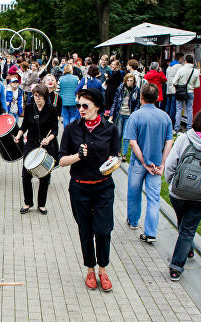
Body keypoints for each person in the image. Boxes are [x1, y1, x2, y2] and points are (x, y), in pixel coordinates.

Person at [58, 87, 119, 291]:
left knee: (103, 230)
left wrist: (113, 162)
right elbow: (61, 160)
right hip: (79, 189)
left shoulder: (110, 129)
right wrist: (78, 157)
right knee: (85, 231)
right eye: (78, 105)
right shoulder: (71, 129)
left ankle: (103, 269)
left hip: (103, 187)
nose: (81, 109)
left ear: (98, 107)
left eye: (85, 105)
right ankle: (90, 270)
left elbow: (116, 156)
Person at [165, 108, 201, 281]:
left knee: (183, 225)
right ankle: (176, 267)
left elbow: (170, 163)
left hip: (177, 194)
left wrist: (171, 183)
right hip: (200, 197)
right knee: (188, 228)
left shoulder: (184, 139)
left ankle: (185, 251)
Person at [124, 84, 174, 242]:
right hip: (157, 164)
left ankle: (133, 221)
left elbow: (132, 143)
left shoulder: (136, 116)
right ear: (158, 97)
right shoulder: (165, 117)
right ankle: (151, 232)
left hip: (139, 163)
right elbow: (169, 142)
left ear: (141, 97)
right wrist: (163, 163)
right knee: (154, 198)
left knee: (134, 193)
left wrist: (144, 162)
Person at [14, 84, 58, 215]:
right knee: (26, 175)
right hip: (31, 144)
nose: (37, 98)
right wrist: (18, 135)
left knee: (44, 176)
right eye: (35, 96)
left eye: (39, 96)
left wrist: (48, 139)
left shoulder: (51, 109)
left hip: (46, 146)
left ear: (45, 96)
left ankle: (41, 204)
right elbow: (24, 125)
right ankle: (28, 202)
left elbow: (55, 129)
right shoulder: (29, 108)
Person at [110, 74, 141, 161]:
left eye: (131, 81)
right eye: (128, 80)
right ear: (125, 80)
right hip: (120, 113)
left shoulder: (136, 89)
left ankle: (124, 154)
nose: (129, 82)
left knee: (126, 135)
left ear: (134, 81)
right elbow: (115, 101)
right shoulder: (120, 88)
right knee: (119, 134)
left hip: (129, 114)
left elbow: (137, 102)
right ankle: (119, 150)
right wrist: (112, 114)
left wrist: (133, 114)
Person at [172, 55, 200, 132]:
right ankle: (189, 127)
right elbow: (198, 85)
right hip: (190, 92)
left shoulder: (181, 69)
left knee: (179, 109)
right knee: (190, 110)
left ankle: (177, 127)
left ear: (185, 61)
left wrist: (179, 86)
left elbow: (174, 81)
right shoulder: (195, 71)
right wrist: (191, 86)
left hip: (180, 92)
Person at [165, 53, 184, 127]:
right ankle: (172, 122)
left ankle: (166, 121)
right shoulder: (179, 66)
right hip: (175, 89)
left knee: (168, 106)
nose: (182, 60)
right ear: (180, 59)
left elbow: (166, 78)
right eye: (182, 59)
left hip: (168, 89)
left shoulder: (169, 66)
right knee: (174, 107)